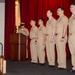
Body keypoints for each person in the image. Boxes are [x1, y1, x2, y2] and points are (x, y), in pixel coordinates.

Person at [68, 3, 75, 72]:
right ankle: (74, 67)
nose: (70, 8)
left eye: (72, 7)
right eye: (70, 7)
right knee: (72, 53)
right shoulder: (70, 17)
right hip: (71, 36)